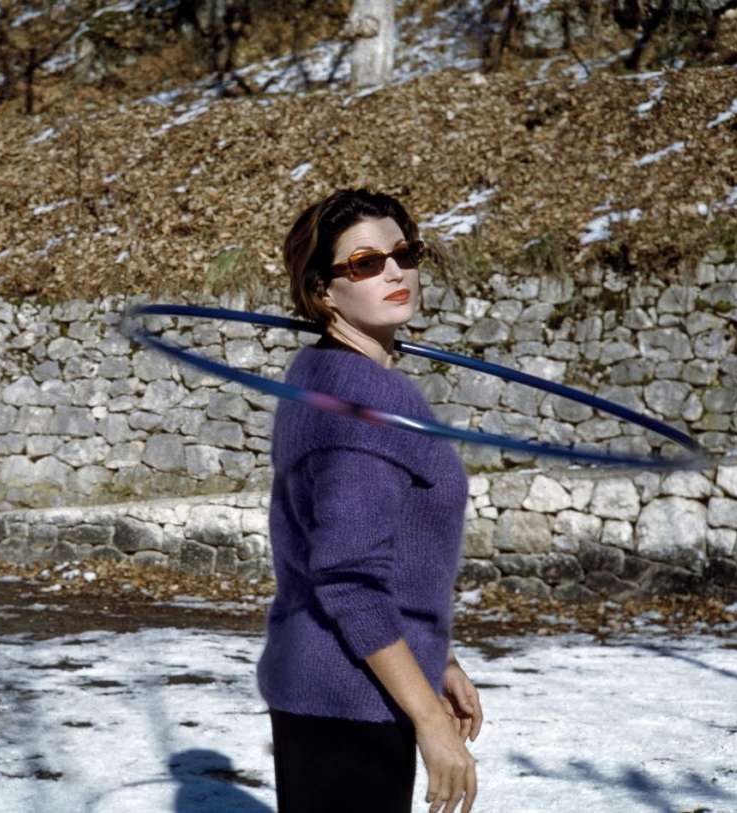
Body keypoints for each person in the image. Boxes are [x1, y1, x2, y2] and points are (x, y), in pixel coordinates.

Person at [258, 189, 483, 813]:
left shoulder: (322, 374)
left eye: (404, 253)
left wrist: (440, 657)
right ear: (323, 291)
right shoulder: (359, 399)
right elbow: (350, 578)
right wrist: (430, 723)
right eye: (363, 262)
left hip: (330, 688)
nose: (393, 271)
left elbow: (387, 552)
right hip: (347, 703)